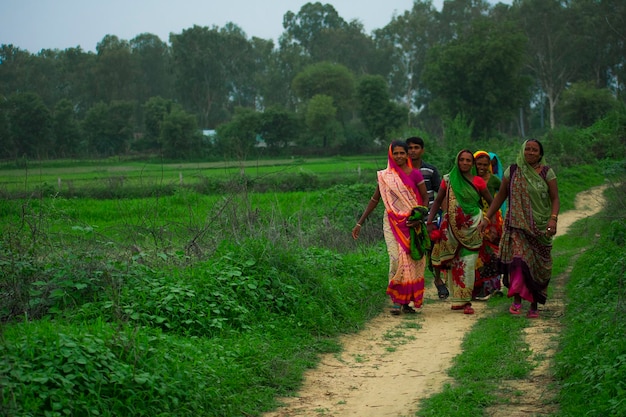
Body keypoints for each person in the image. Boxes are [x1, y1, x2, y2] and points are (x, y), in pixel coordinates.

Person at [484, 139, 560, 318]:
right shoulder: (513, 171)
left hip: (540, 227)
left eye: (535, 150)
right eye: (528, 149)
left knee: (536, 266)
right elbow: (501, 196)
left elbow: (555, 198)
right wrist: (487, 217)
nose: (531, 153)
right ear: (522, 151)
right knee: (518, 261)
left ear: (540, 154)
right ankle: (517, 300)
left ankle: (533, 305)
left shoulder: (547, 173)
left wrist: (553, 219)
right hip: (516, 226)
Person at [352, 141, 429, 315]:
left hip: (411, 223)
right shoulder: (385, 176)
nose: (399, 156)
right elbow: (375, 199)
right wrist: (360, 222)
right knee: (395, 258)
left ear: (407, 154)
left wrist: (419, 217)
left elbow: (425, 197)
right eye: (396, 153)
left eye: (403, 153)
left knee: (412, 261)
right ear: (390, 154)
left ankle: (406, 301)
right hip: (392, 222)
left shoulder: (415, 174)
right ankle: (396, 300)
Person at [425, 150, 493, 315]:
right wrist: (430, 221)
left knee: (468, 264)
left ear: (472, 163)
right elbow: (438, 200)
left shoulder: (478, 182)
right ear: (457, 161)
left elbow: (492, 203)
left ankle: (466, 301)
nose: (465, 163)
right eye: (462, 160)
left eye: (468, 160)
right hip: (451, 229)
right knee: (455, 264)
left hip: (473, 227)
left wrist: (487, 220)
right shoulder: (448, 180)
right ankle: (457, 300)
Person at [405, 136, 448, 299]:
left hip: (429, 219)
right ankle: (412, 288)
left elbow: (440, 194)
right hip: (408, 220)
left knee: (433, 251)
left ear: (422, 150)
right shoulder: (401, 172)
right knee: (411, 254)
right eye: (409, 148)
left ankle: (438, 280)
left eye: (416, 147)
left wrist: (444, 217)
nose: (413, 151)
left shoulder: (430, 170)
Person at [472, 150, 503, 300]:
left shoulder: (494, 180)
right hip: (473, 220)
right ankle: (478, 289)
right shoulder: (469, 179)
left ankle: (494, 287)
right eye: (479, 164)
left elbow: (504, 193)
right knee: (477, 255)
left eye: (485, 164)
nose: (482, 167)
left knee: (492, 254)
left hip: (491, 220)